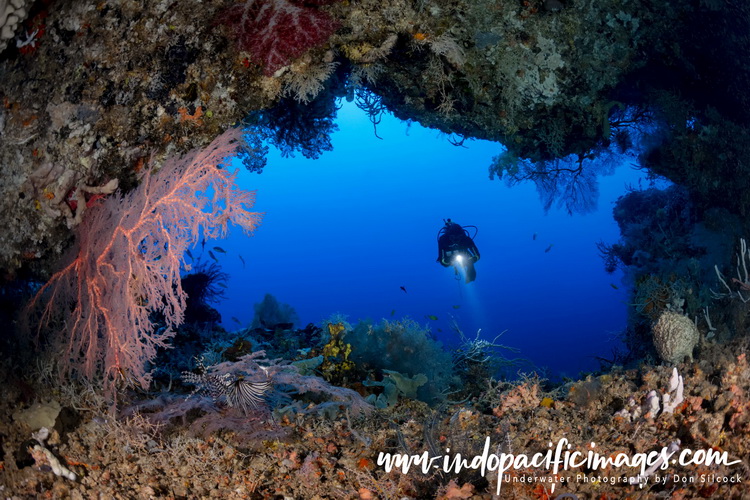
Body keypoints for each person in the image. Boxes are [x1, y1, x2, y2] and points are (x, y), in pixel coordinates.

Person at [436, 219, 480, 283]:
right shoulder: (443, 240)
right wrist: (447, 262)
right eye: (453, 237)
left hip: (464, 254)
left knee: (470, 265)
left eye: (458, 237)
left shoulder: (466, 239)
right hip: (449, 256)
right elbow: (441, 259)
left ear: (462, 236)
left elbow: (477, 255)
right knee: (447, 264)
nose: (456, 240)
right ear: (448, 236)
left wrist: (473, 259)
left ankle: (470, 279)